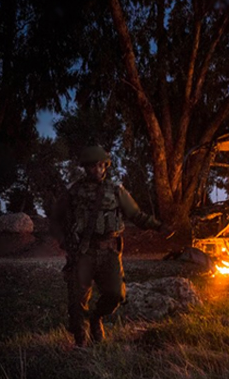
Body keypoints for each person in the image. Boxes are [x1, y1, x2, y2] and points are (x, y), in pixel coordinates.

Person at [51, 146, 173, 347]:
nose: (97, 169)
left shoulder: (116, 191)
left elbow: (136, 215)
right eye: (92, 166)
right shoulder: (73, 192)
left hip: (109, 251)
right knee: (77, 300)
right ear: (85, 168)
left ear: (105, 166)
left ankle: (96, 317)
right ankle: (81, 343)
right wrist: (64, 241)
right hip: (83, 252)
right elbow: (56, 218)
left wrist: (159, 226)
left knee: (116, 294)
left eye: (101, 165)